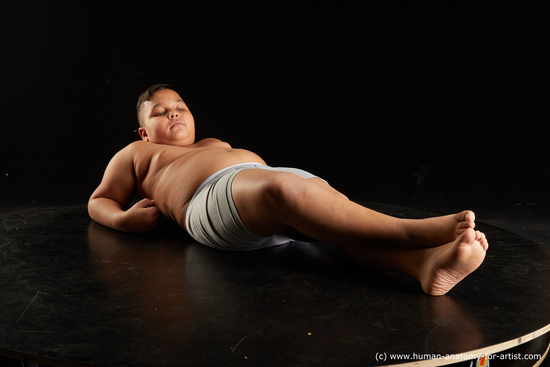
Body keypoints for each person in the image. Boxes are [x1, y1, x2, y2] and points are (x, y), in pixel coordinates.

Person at [88, 84, 488, 296]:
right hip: (212, 199)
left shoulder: (213, 143)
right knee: (283, 189)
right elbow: (98, 200)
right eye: (160, 112)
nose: (173, 112)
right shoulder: (138, 152)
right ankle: (412, 231)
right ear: (144, 131)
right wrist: (123, 220)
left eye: (180, 106)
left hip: (262, 183)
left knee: (341, 225)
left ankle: (422, 267)